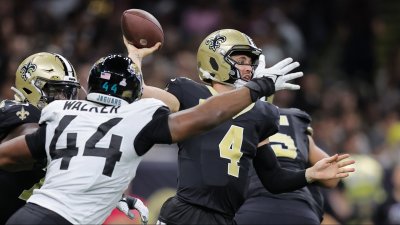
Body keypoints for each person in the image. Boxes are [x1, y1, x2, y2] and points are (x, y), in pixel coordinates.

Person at [0, 42, 305, 224]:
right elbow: (207, 114)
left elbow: (14, 154)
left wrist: (107, 192)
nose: (61, 98)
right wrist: (259, 87)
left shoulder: (63, 114)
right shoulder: (138, 117)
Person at [156, 29, 355, 224]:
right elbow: (149, 100)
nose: (248, 68)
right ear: (215, 60)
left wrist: (309, 174)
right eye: (241, 61)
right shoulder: (187, 91)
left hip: (225, 218)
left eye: (250, 63)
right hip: (185, 212)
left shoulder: (260, 114)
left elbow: (274, 179)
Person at [0, 52, 81, 225]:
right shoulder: (25, 114)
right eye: (55, 91)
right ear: (31, 87)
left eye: (68, 92)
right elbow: (29, 136)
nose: (64, 99)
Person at [234, 107, 342, 224]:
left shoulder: (241, 122)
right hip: (300, 211)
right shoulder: (296, 125)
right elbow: (331, 178)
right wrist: (304, 176)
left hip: (252, 209)